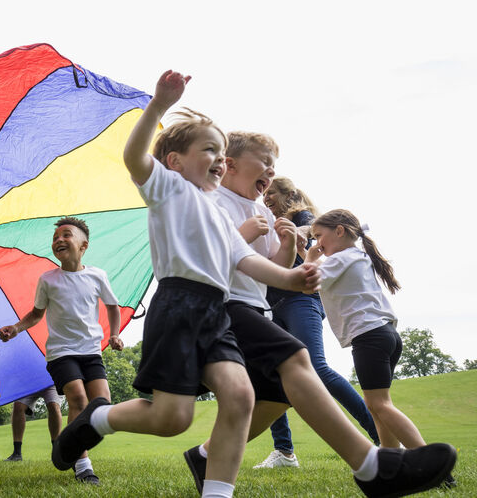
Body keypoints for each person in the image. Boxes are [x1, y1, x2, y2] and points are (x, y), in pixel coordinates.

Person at [50, 70, 323, 498]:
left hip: (217, 312)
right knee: (171, 418)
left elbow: (247, 260)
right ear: (175, 161)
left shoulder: (219, 212)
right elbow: (135, 159)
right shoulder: (168, 188)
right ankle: (97, 420)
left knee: (240, 397)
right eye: (209, 149)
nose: (220, 157)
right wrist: (158, 106)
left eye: (222, 151)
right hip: (178, 306)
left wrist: (292, 277)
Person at [182, 130, 456, 496]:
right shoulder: (208, 201)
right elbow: (202, 259)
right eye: (264, 162)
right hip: (219, 303)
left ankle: (206, 456)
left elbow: (273, 269)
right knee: (298, 358)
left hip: (255, 305)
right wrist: (245, 236)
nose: (272, 171)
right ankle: (373, 467)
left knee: (278, 394)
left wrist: (286, 247)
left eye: (274, 164)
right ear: (230, 164)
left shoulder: (264, 211)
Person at [307, 210, 453, 483]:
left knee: (379, 404)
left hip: (370, 336)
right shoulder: (357, 256)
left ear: (339, 231)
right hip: (385, 335)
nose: (317, 242)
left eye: (319, 236)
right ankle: (391, 464)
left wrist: (309, 259)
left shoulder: (340, 258)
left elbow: (307, 284)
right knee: (377, 406)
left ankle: (432, 467)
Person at [254, 178, 379, 469]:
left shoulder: (301, 215)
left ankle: (381, 438)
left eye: (272, 192)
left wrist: (297, 229)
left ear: (289, 194)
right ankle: (284, 453)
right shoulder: (268, 222)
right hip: (272, 305)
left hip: (301, 301)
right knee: (273, 375)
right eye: (265, 193)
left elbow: (310, 227)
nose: (266, 197)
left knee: (317, 368)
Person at [0, 216, 123, 485]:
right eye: (55, 238)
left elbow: (113, 307)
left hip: (91, 352)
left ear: (83, 245)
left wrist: (114, 334)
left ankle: (66, 444)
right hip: (60, 352)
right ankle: (83, 466)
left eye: (66, 235)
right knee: (77, 398)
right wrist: (17, 328)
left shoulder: (97, 275)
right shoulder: (48, 280)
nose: (59, 240)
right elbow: (36, 314)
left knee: (102, 406)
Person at [5, 385, 63, 461]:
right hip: (30, 383)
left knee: (54, 407)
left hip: (51, 382)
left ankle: (57, 452)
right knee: (18, 406)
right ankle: (17, 453)